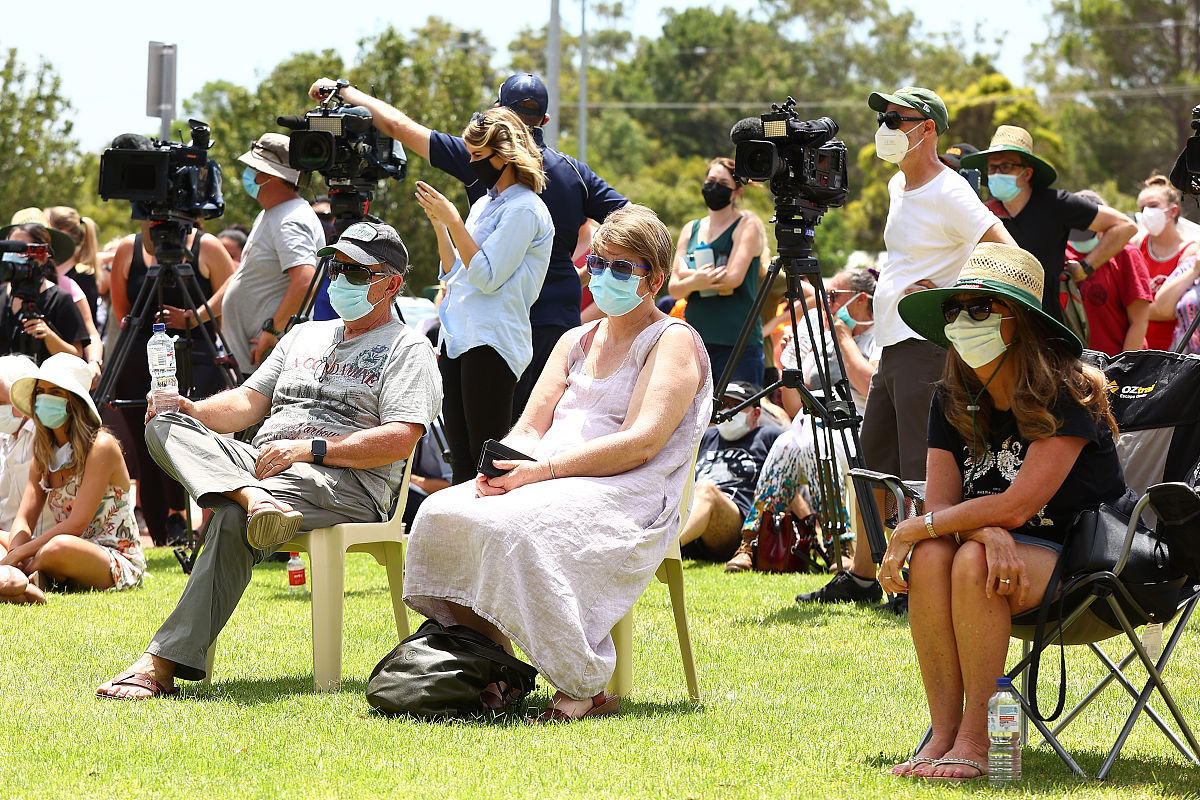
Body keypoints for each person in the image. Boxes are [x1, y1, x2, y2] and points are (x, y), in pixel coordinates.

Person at [96, 221, 441, 700]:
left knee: (232, 517)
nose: (339, 279)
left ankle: (159, 664)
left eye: (356, 272)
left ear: (391, 284)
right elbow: (247, 402)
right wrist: (191, 410)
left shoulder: (408, 348)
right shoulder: (305, 335)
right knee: (163, 424)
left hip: (344, 482)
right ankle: (250, 496)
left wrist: (311, 449)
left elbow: (400, 440)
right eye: (335, 268)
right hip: (261, 465)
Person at [403, 204, 709, 721]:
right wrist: (504, 467)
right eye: (598, 264)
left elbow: (641, 443)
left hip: (628, 489)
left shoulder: (672, 339)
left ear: (655, 280)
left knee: (518, 527)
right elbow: (529, 428)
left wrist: (541, 472)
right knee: (440, 511)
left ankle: (582, 681)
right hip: (547, 475)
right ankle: (489, 663)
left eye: (621, 267)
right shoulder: (574, 339)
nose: (604, 276)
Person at [880, 243, 1125, 779]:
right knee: (933, 556)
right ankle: (942, 733)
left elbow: (1019, 505)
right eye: (953, 310)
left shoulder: (1067, 390)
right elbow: (942, 504)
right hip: (999, 543)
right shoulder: (951, 395)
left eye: (980, 308)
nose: (962, 322)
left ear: (1021, 322)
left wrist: (919, 529)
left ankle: (977, 738)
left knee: (969, 560)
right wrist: (981, 530)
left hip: (1082, 555)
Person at [800, 86, 1016, 605]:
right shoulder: (899, 184)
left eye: (898, 119)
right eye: (884, 118)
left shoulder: (950, 191)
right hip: (893, 348)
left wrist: (954, 296)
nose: (886, 127)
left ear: (928, 129)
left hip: (928, 347)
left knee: (922, 474)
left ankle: (921, 577)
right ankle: (863, 575)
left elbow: (1007, 252)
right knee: (872, 465)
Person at [308, 74, 627, 419]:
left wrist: (344, 91)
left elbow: (398, 126)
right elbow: (631, 220)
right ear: (545, 120)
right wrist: (586, 273)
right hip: (553, 316)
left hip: (492, 323)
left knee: (495, 438)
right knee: (540, 429)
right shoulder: (573, 171)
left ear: (497, 113)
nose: (475, 158)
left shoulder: (480, 157)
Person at [414, 107, 554, 484]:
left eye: (478, 155)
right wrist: (441, 226)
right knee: (461, 463)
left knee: (488, 466)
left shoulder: (526, 208)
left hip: (492, 341)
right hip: (458, 338)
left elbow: (487, 277)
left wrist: (454, 220)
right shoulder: (483, 203)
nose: (471, 163)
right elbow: (454, 272)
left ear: (504, 155)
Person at [726, 268, 880, 572]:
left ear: (861, 299)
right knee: (784, 444)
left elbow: (869, 387)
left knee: (814, 445)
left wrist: (844, 339)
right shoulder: (821, 339)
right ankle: (752, 540)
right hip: (812, 426)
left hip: (857, 430)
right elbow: (796, 408)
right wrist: (790, 370)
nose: (827, 304)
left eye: (834, 296)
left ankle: (839, 544)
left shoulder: (879, 338)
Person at [108, 219, 237, 546]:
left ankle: (210, 529)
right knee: (147, 448)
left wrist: (193, 318)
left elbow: (233, 287)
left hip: (197, 357)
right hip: (137, 359)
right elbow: (123, 313)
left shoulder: (207, 246)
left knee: (203, 445)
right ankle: (163, 533)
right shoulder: (127, 248)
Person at [0, 353, 146, 601]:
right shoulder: (43, 451)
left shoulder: (101, 446)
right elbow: (24, 518)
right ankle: (22, 580)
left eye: (55, 392)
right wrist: (16, 551)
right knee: (10, 538)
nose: (44, 398)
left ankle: (19, 578)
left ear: (73, 401)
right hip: (58, 550)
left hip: (110, 556)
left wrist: (18, 555)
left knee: (58, 547)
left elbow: (76, 524)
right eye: (40, 391)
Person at [959, 126, 1136, 321]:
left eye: (1007, 166)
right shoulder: (985, 212)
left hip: (1047, 322)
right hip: (995, 320)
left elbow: (1124, 226)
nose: (997, 173)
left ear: (1027, 174)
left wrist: (1085, 268)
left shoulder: (1056, 204)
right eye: (992, 168)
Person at [215, 133, 324, 376]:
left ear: (270, 175)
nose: (249, 175)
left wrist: (272, 331)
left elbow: (305, 280)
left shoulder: (290, 218)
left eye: (254, 169)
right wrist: (195, 317)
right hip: (257, 363)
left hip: (270, 362)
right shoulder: (272, 213)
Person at [668, 157, 767, 385]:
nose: (714, 187)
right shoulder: (691, 228)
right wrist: (698, 280)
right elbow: (674, 289)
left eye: (723, 183)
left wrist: (689, 277)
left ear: (736, 192)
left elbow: (732, 279)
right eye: (711, 180)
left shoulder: (746, 225)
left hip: (738, 345)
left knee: (736, 409)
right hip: (696, 343)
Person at [678, 381, 781, 563]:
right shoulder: (707, 436)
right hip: (693, 517)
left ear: (756, 413)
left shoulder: (769, 437)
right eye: (723, 404)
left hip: (737, 524)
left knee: (706, 489)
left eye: (736, 405)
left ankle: (667, 550)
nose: (727, 410)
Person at [1066, 189, 1152, 356]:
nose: (1078, 239)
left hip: (1114, 363)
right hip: (1071, 364)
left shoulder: (1126, 254)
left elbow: (1139, 322)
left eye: (1086, 231)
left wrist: (1122, 367)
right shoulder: (1062, 250)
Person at [0, 223, 89, 364]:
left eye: (21, 251)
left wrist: (49, 335)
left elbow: (76, 355)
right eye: (10, 249)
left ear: (43, 257)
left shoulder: (59, 299)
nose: (14, 256)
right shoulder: (2, 293)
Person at [1137, 174, 1200, 351]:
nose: (1146, 213)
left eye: (1152, 206)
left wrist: (1133, 312)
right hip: (1134, 349)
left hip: (1169, 353)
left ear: (1173, 211)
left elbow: (1165, 311)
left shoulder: (1190, 251)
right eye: (1142, 208)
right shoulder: (1136, 245)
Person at [0, 355, 41, 531]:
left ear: (23, 399)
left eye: (1, 402)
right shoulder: (5, 436)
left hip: (33, 540)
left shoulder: (45, 437)